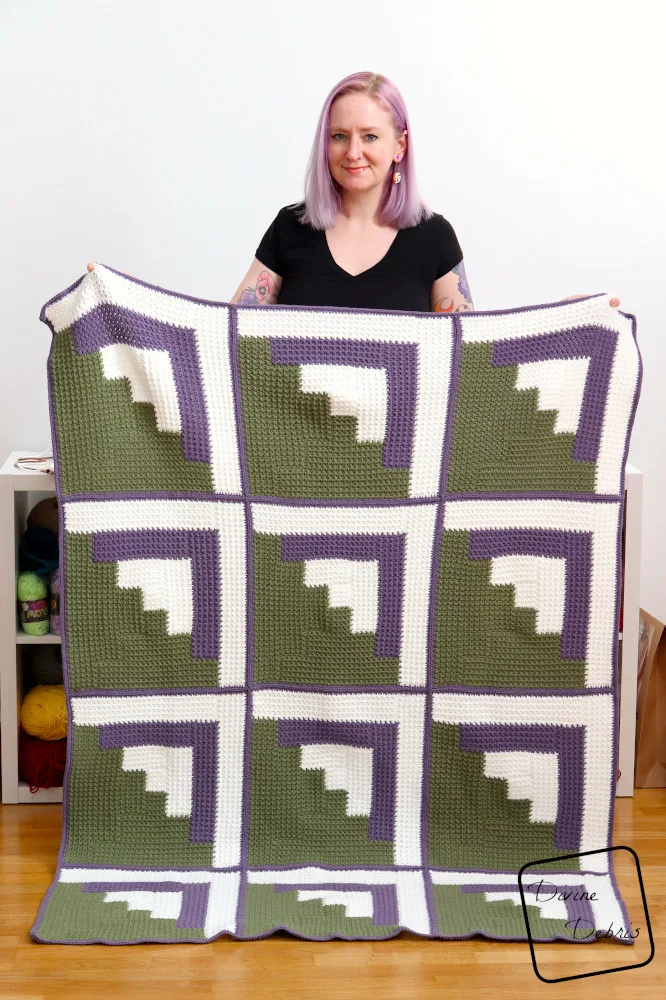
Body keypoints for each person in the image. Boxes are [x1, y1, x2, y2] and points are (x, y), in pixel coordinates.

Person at [229, 71, 620, 315]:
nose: (353, 152)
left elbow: (471, 352)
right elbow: (229, 334)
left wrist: (566, 321)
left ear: (399, 146)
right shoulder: (290, 227)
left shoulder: (434, 237)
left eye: (370, 136)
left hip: (402, 446)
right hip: (294, 442)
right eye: (339, 136)